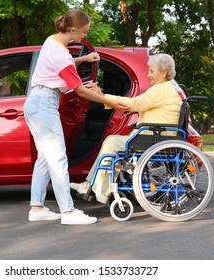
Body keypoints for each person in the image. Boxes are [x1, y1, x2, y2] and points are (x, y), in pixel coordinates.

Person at [24, 9, 127, 225]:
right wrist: (108, 100)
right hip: (44, 104)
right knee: (58, 158)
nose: (85, 36)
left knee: (45, 158)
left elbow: (62, 65)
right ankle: (68, 212)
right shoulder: (61, 54)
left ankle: (37, 207)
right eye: (84, 32)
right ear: (72, 30)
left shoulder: (52, 42)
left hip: (36, 101)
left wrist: (84, 59)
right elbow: (79, 90)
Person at [70, 53, 183, 204]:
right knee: (113, 142)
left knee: (112, 143)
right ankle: (94, 186)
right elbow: (142, 106)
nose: (148, 75)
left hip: (154, 139)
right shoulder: (165, 90)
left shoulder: (160, 90)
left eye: (152, 71)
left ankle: (97, 188)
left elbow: (135, 103)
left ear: (163, 73)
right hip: (157, 136)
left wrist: (102, 97)